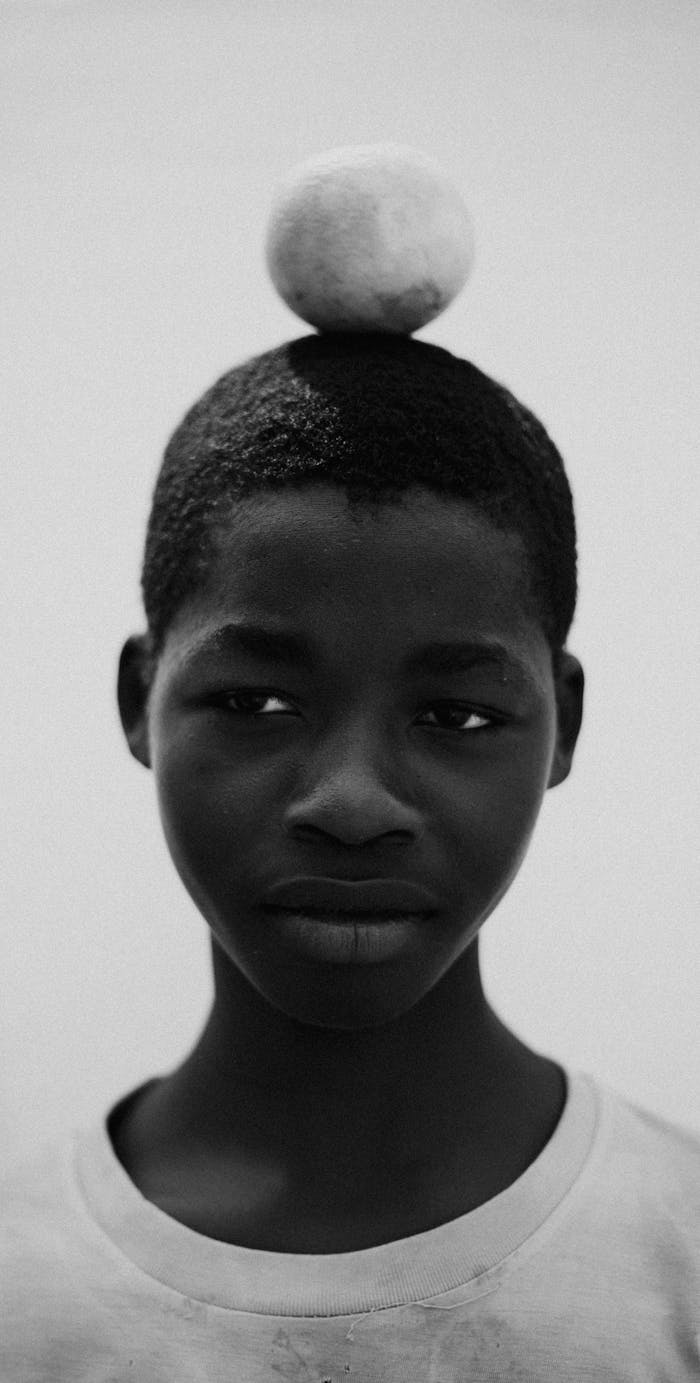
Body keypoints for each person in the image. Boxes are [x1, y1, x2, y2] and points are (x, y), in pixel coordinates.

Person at [3, 332, 699, 1379]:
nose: (353, 801)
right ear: (137, 701)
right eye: (255, 703)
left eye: (454, 714)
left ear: (562, 722)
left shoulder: (675, 1261)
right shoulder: (22, 1291)